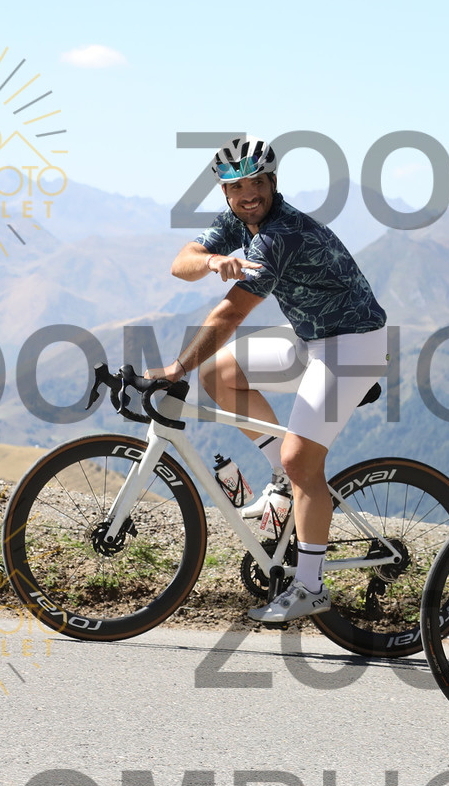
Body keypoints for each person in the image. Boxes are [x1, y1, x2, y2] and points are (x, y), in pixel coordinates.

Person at [146, 136, 389, 623]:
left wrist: (176, 369)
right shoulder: (237, 220)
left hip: (352, 343)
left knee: (302, 461)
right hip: (310, 337)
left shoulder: (279, 235)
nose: (248, 194)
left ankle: (310, 586)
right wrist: (213, 260)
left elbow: (230, 314)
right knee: (219, 374)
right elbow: (181, 262)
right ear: (225, 193)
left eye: (257, 182)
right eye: (237, 187)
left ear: (273, 183)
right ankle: (283, 480)